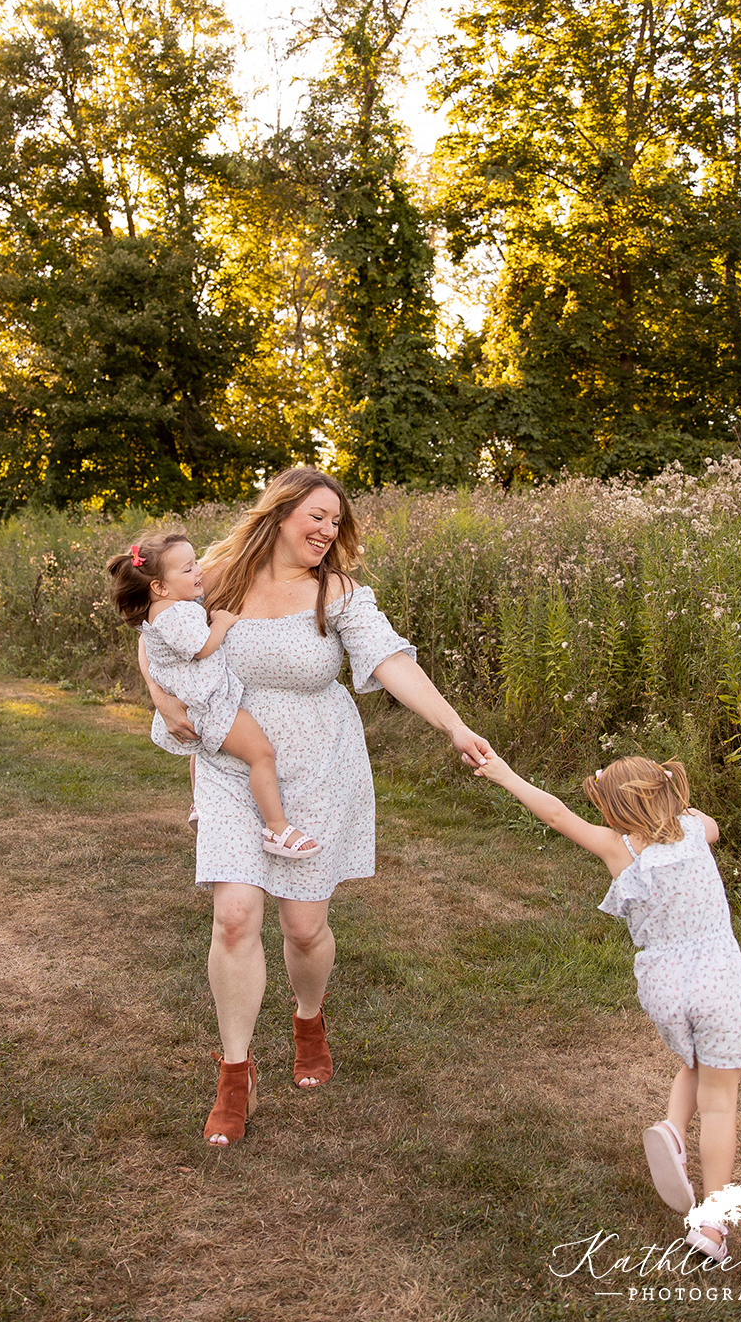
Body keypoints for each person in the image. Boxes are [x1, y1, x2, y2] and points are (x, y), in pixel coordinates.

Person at [138, 466, 491, 1148]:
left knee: (303, 929)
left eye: (336, 520)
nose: (328, 530)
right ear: (280, 513)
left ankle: (308, 1017)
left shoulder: (339, 594)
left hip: (317, 764)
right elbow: (153, 628)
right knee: (233, 917)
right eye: (317, 516)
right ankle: (234, 1074)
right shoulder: (218, 575)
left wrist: (453, 725)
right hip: (230, 756)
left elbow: (390, 662)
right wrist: (162, 698)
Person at [473, 749, 741, 1263]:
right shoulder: (696, 830)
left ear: (612, 809)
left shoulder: (617, 849)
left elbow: (556, 813)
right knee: (719, 1100)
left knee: (692, 1060)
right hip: (719, 979)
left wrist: (505, 773)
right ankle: (712, 1224)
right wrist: (674, 798)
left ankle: (672, 1130)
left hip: (664, 983)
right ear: (666, 791)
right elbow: (709, 824)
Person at [107, 530, 319, 858]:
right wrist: (222, 621)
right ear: (160, 587)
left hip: (195, 702)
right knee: (261, 754)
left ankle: (198, 803)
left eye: (195, 563)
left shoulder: (163, 608)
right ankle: (277, 828)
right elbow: (203, 648)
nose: (199, 570)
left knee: (202, 751)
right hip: (208, 705)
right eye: (188, 568)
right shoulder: (175, 614)